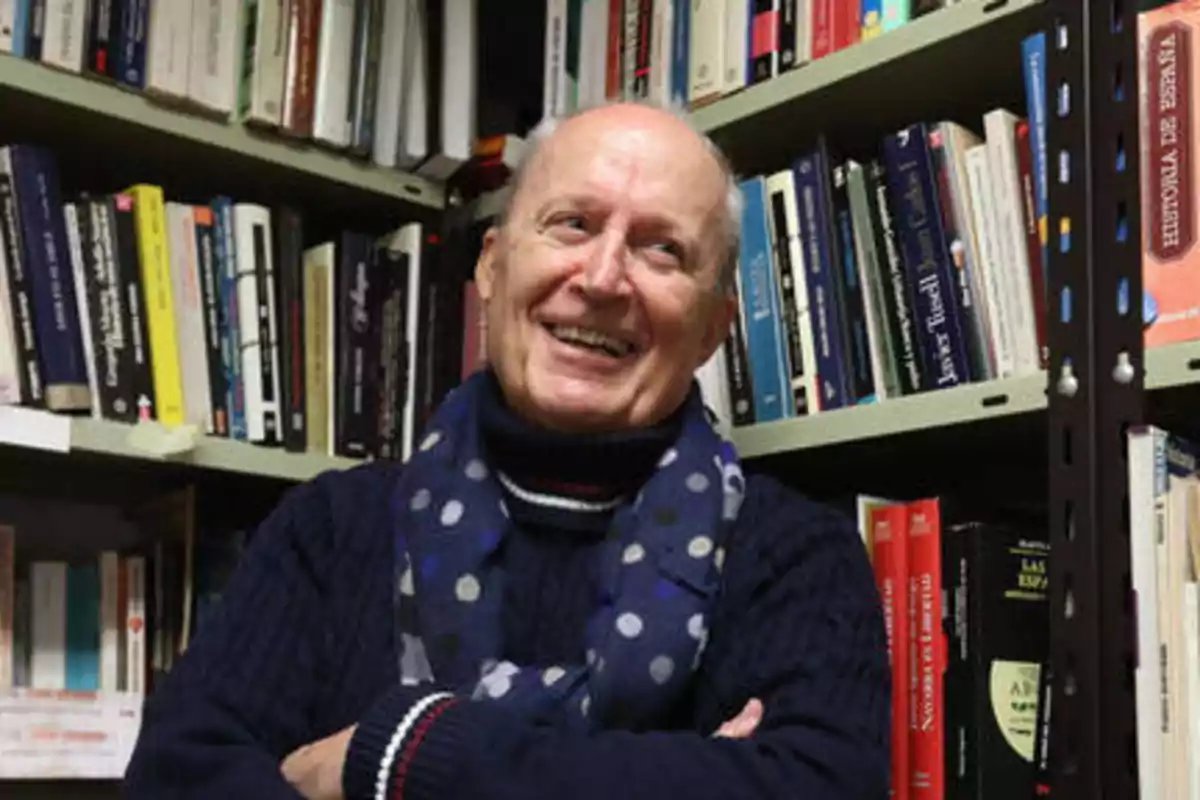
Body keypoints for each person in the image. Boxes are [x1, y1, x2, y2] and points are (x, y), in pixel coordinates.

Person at [122, 99, 891, 800]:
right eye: (572, 225)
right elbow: (176, 778)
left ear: (713, 329)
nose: (601, 277)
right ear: (492, 265)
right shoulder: (331, 528)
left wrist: (401, 756)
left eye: (662, 250)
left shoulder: (797, 556)